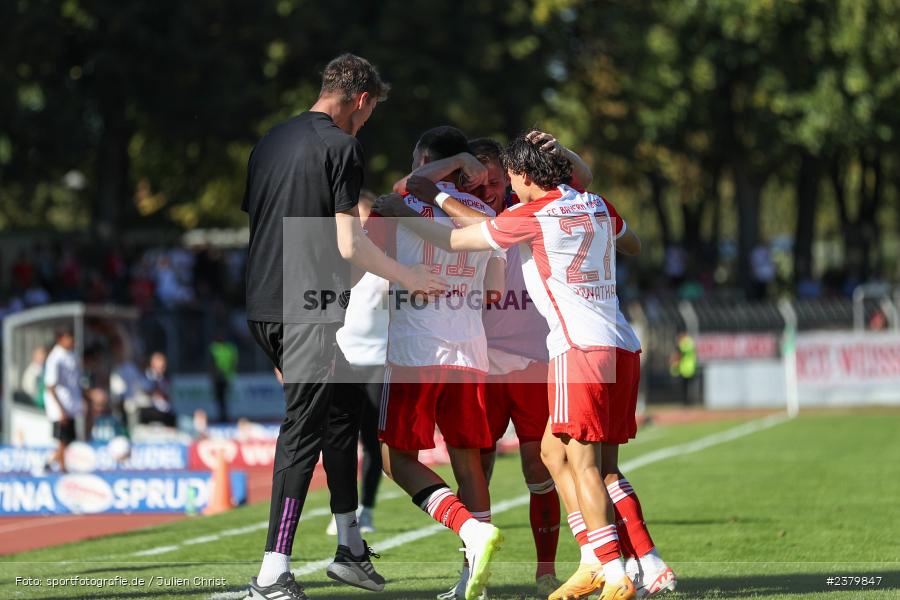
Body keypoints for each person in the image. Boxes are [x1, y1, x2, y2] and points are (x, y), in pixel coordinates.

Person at [376, 134, 675, 600]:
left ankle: (616, 571)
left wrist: (428, 197)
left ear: (525, 177)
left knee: (587, 466)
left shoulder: (528, 215)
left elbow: (455, 238)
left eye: (509, 178)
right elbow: (630, 241)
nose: (506, 187)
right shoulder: (596, 203)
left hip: (573, 348)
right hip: (615, 343)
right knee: (557, 455)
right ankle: (602, 561)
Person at [241, 53, 445, 600]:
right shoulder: (341, 146)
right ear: (361, 98)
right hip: (305, 310)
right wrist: (409, 276)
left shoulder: (269, 142)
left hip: (265, 303)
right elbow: (349, 243)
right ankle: (273, 572)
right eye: (371, 110)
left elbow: (265, 227)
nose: (367, 120)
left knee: (342, 410)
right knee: (302, 433)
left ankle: (350, 548)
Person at [399, 131, 593, 599]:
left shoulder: (526, 210)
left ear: (508, 179)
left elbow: (582, 183)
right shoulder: (461, 211)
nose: (486, 189)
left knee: (540, 469)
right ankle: (472, 573)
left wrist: (562, 152)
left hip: (531, 361)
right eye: (477, 181)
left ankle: (546, 570)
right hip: (481, 362)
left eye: (493, 181)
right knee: (475, 469)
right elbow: (412, 198)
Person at [367, 126, 506, 600]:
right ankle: (473, 582)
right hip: (469, 350)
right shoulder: (483, 214)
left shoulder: (398, 203)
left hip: (416, 349)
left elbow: (362, 255)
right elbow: (494, 291)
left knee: (394, 458)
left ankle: (469, 529)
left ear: (424, 159)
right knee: (469, 463)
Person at [326, 190, 388, 538]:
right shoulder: (338, 258)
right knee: (341, 440)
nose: (362, 226)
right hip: (343, 360)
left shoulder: (387, 260)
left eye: (368, 220)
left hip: (378, 361)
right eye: (357, 220)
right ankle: (343, 510)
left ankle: (368, 508)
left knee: (373, 443)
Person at [42, 327, 84, 473]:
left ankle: (50, 462)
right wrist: (60, 409)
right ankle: (62, 468)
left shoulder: (72, 355)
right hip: (60, 406)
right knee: (62, 439)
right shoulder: (55, 358)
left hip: (71, 404)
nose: (71, 340)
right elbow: (50, 386)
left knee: (69, 440)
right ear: (60, 339)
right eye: (68, 337)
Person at [209, 333, 238, 422]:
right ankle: (221, 416)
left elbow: (234, 361)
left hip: (226, 376)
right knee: (219, 398)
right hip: (217, 377)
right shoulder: (213, 347)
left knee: (224, 398)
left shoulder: (230, 347)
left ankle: (224, 416)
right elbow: (211, 362)